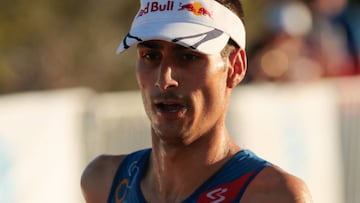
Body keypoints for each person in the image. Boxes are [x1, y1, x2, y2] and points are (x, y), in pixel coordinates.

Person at [81, 0, 313, 202]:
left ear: (236, 67)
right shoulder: (102, 182)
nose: (165, 79)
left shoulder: (272, 196)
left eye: (188, 57)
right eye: (150, 56)